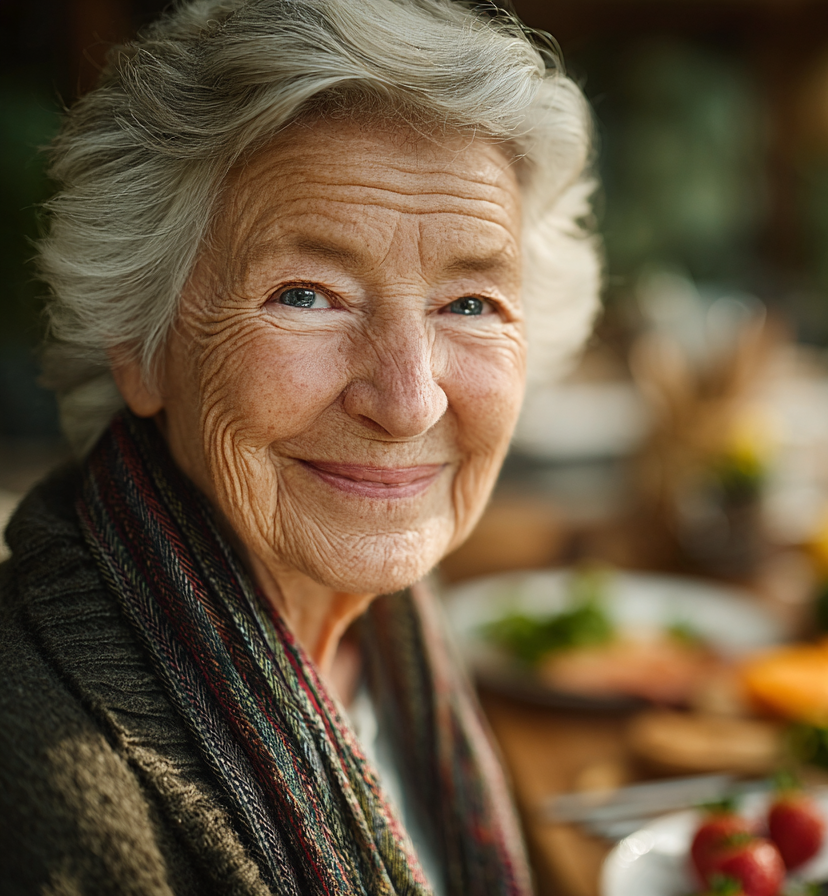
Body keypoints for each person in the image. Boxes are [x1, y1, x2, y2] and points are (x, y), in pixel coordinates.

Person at [0, 0, 601, 893]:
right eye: (307, 294)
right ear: (140, 341)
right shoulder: (38, 783)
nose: (405, 402)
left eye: (470, 304)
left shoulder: (395, 633)